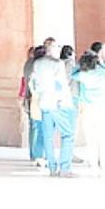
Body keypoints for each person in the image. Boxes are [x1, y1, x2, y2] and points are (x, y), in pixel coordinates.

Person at [29, 43, 77, 176]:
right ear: (52, 49)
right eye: (57, 47)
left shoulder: (37, 63)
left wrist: (39, 95)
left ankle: (52, 167)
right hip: (57, 103)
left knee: (48, 136)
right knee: (68, 134)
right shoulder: (58, 63)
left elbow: (33, 83)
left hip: (44, 102)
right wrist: (62, 100)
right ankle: (65, 168)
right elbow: (60, 84)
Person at [73, 50, 105, 173]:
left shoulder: (83, 75)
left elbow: (72, 74)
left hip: (88, 109)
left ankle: (94, 166)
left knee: (91, 139)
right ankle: (104, 165)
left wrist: (80, 66)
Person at [22, 45, 46, 166]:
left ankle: (33, 153)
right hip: (36, 100)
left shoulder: (28, 64)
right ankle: (39, 154)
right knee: (39, 127)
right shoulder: (37, 67)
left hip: (29, 98)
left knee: (33, 127)